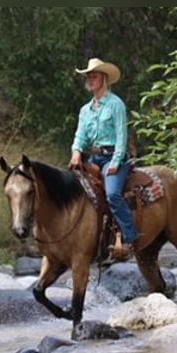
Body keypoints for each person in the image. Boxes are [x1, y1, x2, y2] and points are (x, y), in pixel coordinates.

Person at [68, 57, 138, 260]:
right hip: (94, 158)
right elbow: (80, 135)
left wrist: (116, 162)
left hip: (114, 156)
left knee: (113, 194)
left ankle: (130, 236)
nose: (90, 79)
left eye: (94, 76)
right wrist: (76, 152)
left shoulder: (116, 105)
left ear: (104, 79)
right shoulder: (85, 110)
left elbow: (121, 136)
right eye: (89, 76)